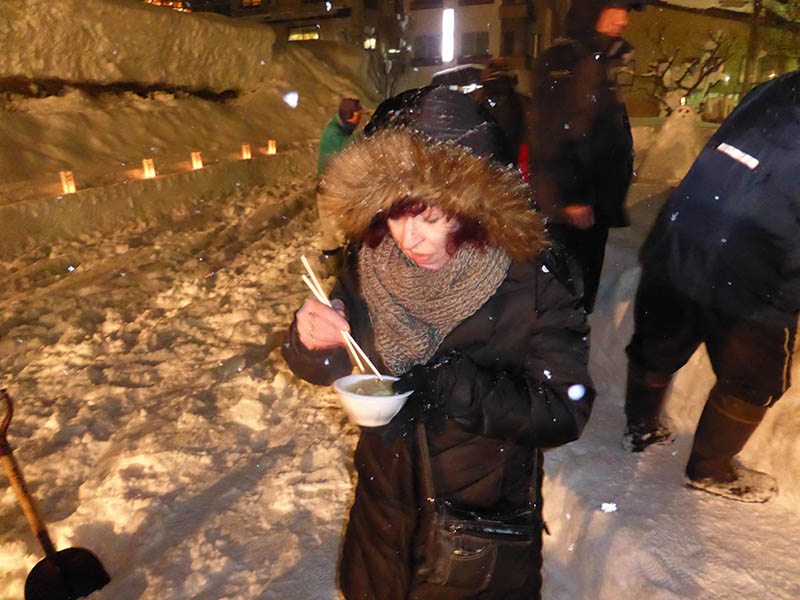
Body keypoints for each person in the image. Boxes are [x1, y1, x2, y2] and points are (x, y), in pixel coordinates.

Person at [283, 87, 595, 599]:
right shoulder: (371, 261)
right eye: (396, 213)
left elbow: (565, 408)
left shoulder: (533, 280)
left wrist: (461, 388)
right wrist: (312, 341)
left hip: (475, 534)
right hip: (383, 516)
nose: (410, 238)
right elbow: (341, 362)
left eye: (431, 217)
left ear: (474, 210)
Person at [622, 70, 800, 503]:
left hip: (686, 234)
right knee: (752, 379)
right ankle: (710, 468)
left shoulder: (778, 88)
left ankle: (641, 426)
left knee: (661, 341)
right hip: (756, 266)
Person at [529, 0, 645, 312]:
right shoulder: (566, 59)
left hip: (594, 196)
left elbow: (604, 124)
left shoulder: (604, 57)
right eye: (616, 9)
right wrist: (572, 195)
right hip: (573, 203)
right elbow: (554, 132)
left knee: (582, 289)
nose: (623, 20)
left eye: (626, 12)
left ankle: (575, 337)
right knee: (565, 292)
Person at [316, 97, 362, 276]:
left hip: (333, 186)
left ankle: (338, 270)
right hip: (329, 190)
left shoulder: (341, 127)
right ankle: (337, 271)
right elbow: (348, 149)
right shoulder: (334, 133)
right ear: (348, 116)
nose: (358, 120)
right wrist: (364, 134)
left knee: (334, 231)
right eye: (356, 116)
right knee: (337, 232)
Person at [469, 58, 533, 178]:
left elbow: (527, 139)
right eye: (492, 83)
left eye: (502, 82)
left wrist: (523, 170)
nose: (497, 88)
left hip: (511, 168)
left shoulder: (522, 104)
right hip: (481, 168)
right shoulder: (475, 101)